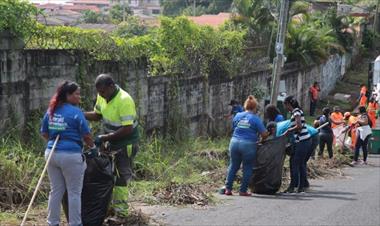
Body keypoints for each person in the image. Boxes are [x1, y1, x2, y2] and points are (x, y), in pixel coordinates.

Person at [40, 81, 95, 226]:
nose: (79, 97)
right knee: (74, 192)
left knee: (56, 190)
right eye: (77, 94)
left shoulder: (51, 110)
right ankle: (75, 224)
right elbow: (87, 136)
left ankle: (52, 222)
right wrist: (93, 148)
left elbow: (44, 133)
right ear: (68, 95)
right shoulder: (76, 112)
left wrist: (55, 141)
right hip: (71, 156)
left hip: (51, 154)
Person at [84, 74, 139, 217]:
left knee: (121, 177)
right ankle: (109, 207)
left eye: (103, 92)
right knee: (107, 175)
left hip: (125, 143)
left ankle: (121, 212)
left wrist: (105, 137)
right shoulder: (102, 96)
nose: (101, 95)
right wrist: (78, 114)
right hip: (110, 142)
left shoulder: (124, 100)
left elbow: (128, 129)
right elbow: (97, 115)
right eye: (99, 92)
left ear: (111, 86)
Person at [224, 95, 269, 196]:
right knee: (247, 167)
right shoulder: (256, 119)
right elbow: (264, 134)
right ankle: (243, 190)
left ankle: (228, 189)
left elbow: (234, 127)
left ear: (245, 106)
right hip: (248, 145)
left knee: (233, 166)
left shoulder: (238, 115)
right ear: (255, 107)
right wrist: (262, 139)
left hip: (234, 142)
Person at [283, 96, 311, 193]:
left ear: (288, 104)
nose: (285, 107)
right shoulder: (297, 111)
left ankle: (293, 186)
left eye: (285, 105)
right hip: (304, 140)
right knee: (301, 164)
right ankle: (302, 186)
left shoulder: (296, 112)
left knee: (295, 163)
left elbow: (299, 126)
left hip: (302, 141)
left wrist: (288, 130)